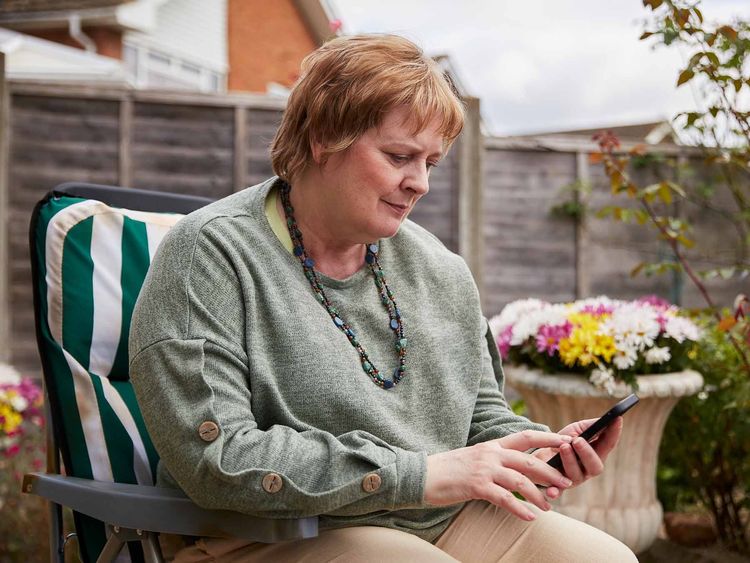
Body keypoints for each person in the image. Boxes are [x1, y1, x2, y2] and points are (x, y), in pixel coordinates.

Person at [129, 34, 636, 562]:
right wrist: (418, 475)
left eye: (431, 163)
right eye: (399, 156)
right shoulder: (210, 256)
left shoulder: (440, 269)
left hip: (438, 521)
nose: (419, 183)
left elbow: (479, 416)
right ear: (324, 137)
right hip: (270, 533)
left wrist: (539, 451)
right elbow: (218, 457)